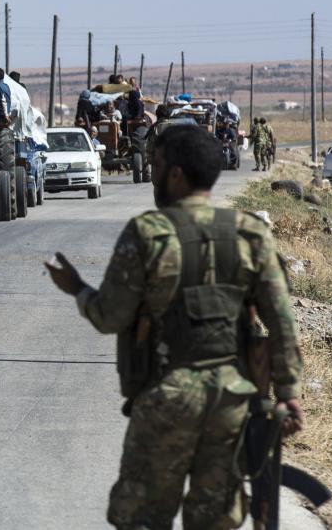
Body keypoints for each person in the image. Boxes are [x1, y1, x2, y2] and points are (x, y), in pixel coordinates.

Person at [43, 125, 303, 530]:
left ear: (177, 174)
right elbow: (281, 322)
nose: (151, 174)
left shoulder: (148, 234)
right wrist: (288, 395)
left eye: (157, 165)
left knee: (144, 518)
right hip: (231, 404)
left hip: (165, 399)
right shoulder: (250, 233)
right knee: (215, 520)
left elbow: (109, 316)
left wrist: (76, 287)